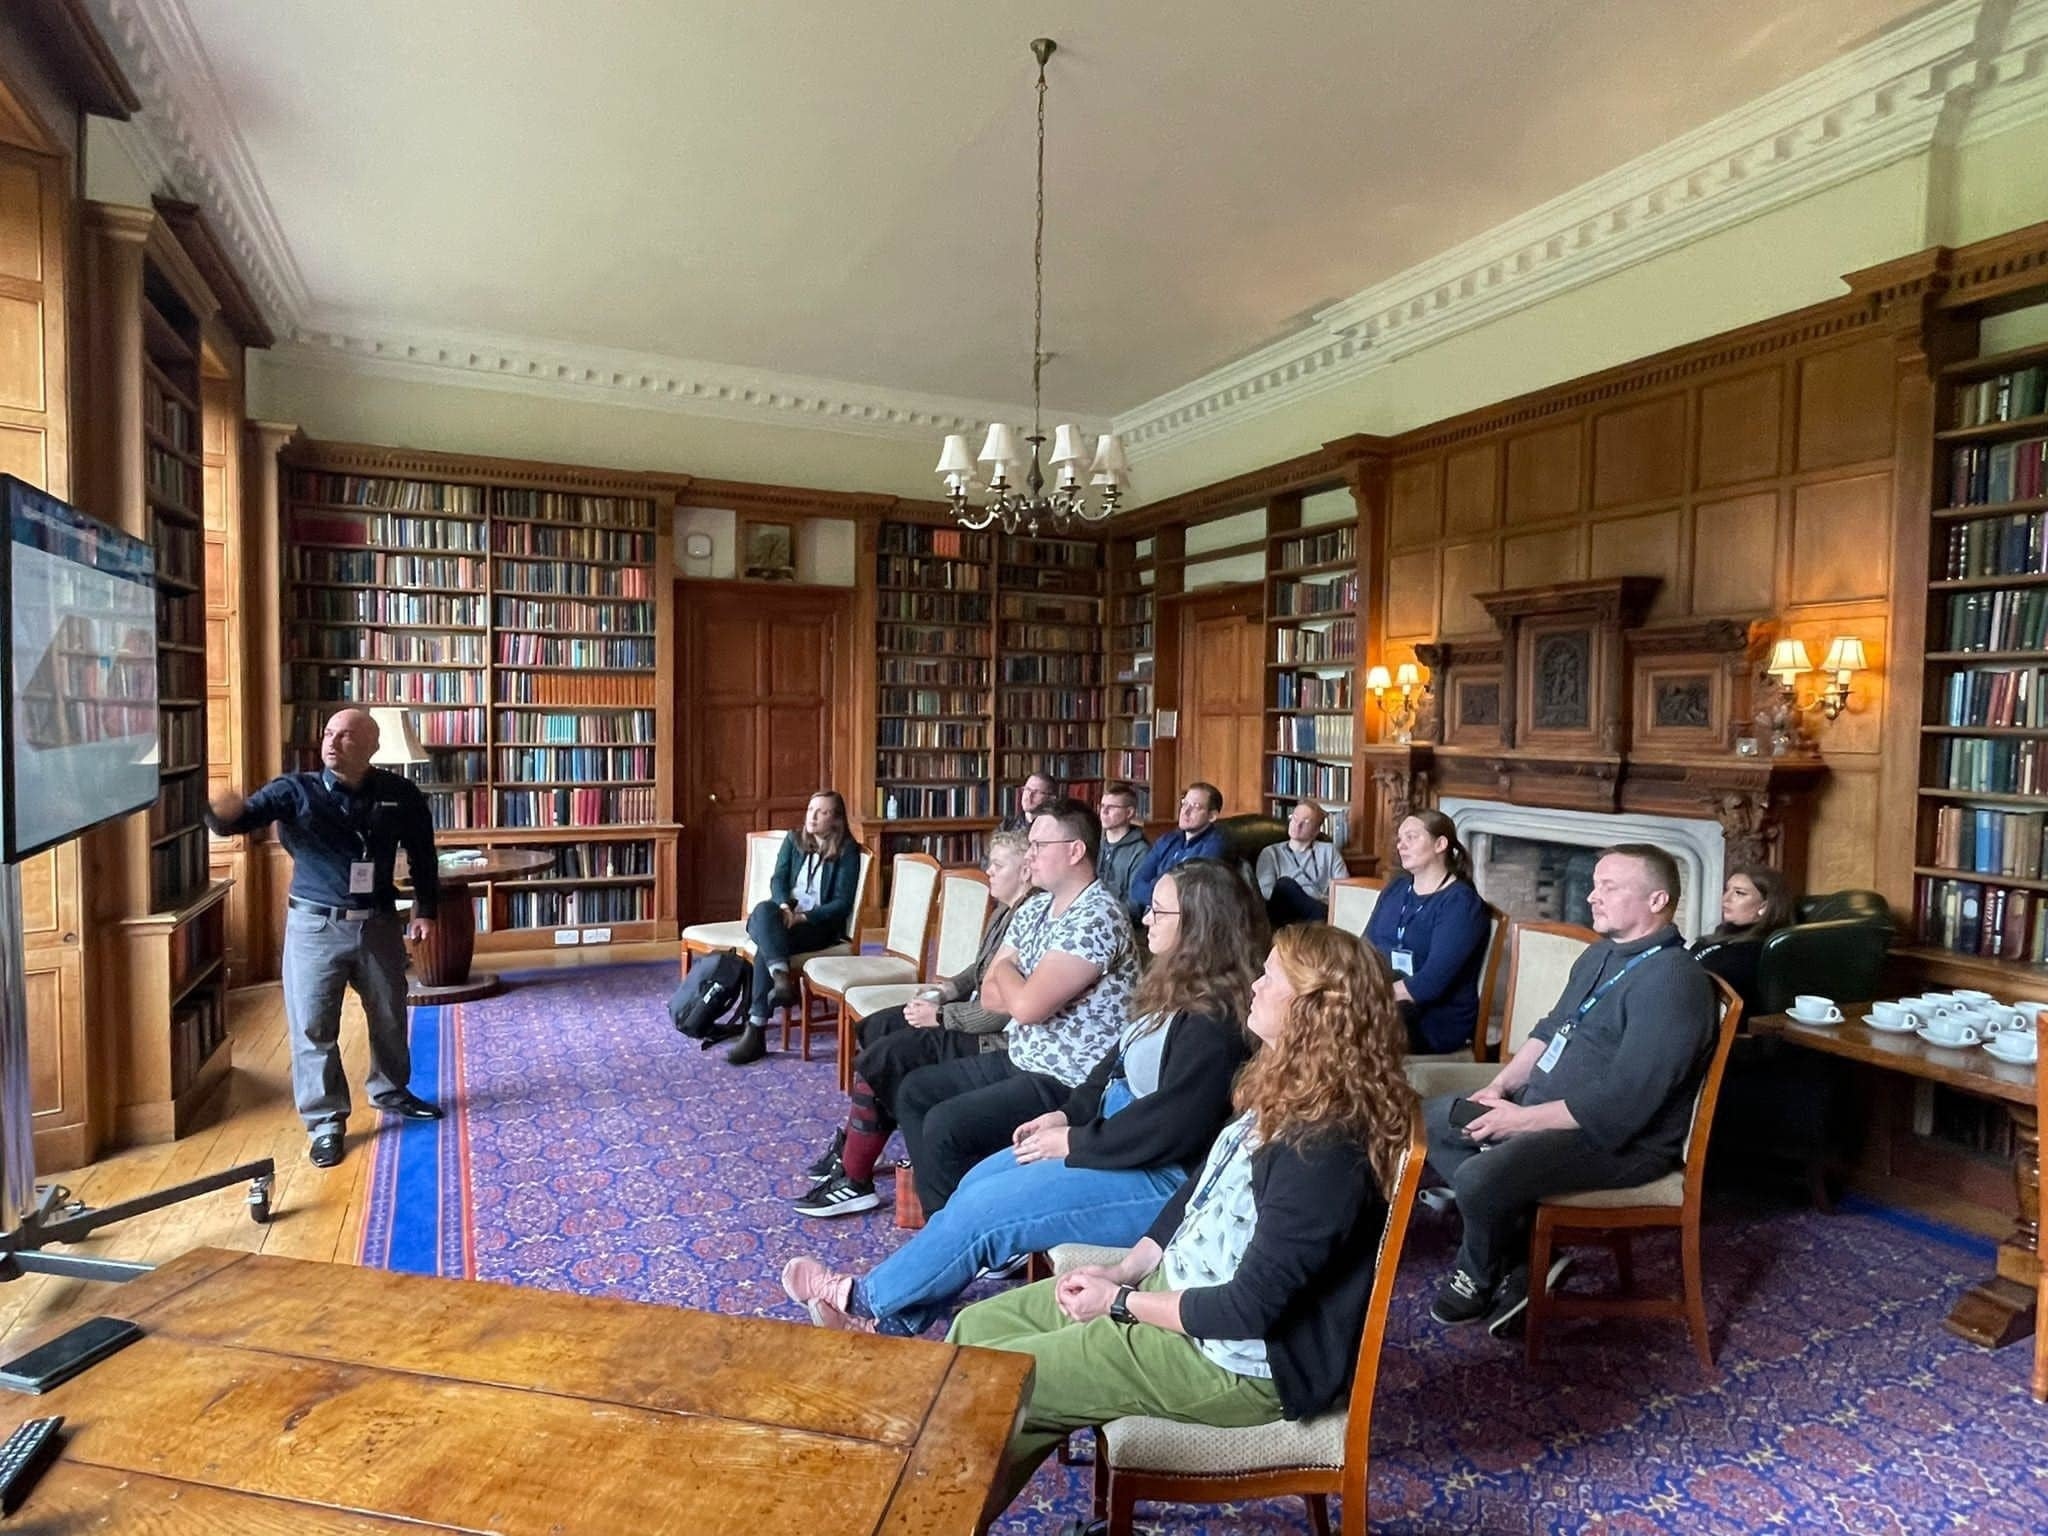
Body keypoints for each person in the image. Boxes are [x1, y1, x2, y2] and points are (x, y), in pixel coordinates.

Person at [944, 923, 1418, 1517]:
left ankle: (932, 1513)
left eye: (1270, 976)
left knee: (995, 1382)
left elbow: (1248, 1311)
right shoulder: (1290, 1085)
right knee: (973, 1339)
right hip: (1174, 1295)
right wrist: (1128, 1266)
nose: (1255, 983)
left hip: (1232, 1361)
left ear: (1313, 1010)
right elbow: (1200, 1190)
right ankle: (952, 1509)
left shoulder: (1323, 1147)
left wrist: (1119, 1305)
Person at [781, 860, 1266, 1331]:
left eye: (1159, 912)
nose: (1145, 918)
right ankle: (896, 1319)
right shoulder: (1173, 987)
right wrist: (1064, 1115)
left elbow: (1172, 1129)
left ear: (1201, 926)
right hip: (1118, 1142)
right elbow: (1111, 1068)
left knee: (986, 1213)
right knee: (974, 1183)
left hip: (1160, 1178)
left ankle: (862, 1298)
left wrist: (1076, 1141)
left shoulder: (1215, 1025)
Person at [1421, 844, 1718, 1336]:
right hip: (1547, 1110)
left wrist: (1516, 1122)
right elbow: (1551, 1027)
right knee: (1434, 1118)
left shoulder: (1672, 982)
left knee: (1478, 1179)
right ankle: (1531, 1259)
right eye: (1595, 884)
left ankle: (1478, 1275)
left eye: (1610, 887)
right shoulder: (1602, 952)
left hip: (1621, 1141)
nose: (1592, 897)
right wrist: (1497, 1090)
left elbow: (1626, 1106)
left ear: (1657, 900)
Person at [204, 707, 442, 1169]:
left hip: (377, 923)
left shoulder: (400, 794)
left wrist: (425, 910)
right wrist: (221, 814)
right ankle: (326, 1122)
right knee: (314, 1026)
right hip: (316, 926)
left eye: (347, 736)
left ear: (372, 747)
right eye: (329, 733)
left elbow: (423, 855)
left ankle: (391, 1092)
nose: (332, 743)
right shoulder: (294, 790)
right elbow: (242, 819)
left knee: (391, 1015)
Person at [893, 797, 1141, 1214]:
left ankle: (965, 1226)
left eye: (1039, 845)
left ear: (1075, 850)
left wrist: (1010, 972)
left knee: (944, 1125)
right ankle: (954, 1217)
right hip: (1022, 1055)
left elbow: (1025, 1008)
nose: (1030, 855)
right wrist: (1014, 978)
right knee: (915, 1091)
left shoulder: (1098, 916)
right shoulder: (1037, 906)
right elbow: (992, 993)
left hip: (1068, 1079)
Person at [794, 829, 1032, 1217]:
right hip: (967, 1015)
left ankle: (855, 1176)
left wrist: (939, 1015)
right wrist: (946, 990)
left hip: (991, 1038)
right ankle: (858, 1144)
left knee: (885, 1059)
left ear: (1026, 871)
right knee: (874, 1028)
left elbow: (1005, 1011)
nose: (988, 870)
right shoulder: (1006, 908)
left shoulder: (1031, 916)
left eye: (998, 864)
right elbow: (981, 969)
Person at [728, 790, 863, 1066]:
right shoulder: (794, 839)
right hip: (784, 916)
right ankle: (779, 977)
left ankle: (757, 1029)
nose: (812, 816)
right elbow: (778, 879)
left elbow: (841, 904)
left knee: (765, 943)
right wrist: (785, 908)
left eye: (821, 811)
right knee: (763, 911)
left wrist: (802, 918)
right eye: (811, 809)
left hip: (817, 926)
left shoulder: (848, 851)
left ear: (836, 819)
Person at [1364, 810, 1492, 1054]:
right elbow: (1365, 947)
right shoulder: (1397, 889)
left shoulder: (1461, 904)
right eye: (1400, 839)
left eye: (1411, 837)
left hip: (1434, 1018)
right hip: (1387, 998)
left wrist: (1367, 999)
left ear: (1440, 844)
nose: (1401, 845)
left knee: (1342, 1024)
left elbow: (1430, 984)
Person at [1687, 865, 1793, 1015]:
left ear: (1764, 906)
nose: (1726, 899)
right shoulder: (1717, 938)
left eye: (1739, 893)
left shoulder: (1757, 952)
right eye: (1727, 890)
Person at [1126, 781, 1226, 920]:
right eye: (1184, 803)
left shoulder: (1213, 847)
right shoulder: (1168, 839)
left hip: (1184, 921)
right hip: (1154, 914)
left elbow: (1187, 897)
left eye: (1195, 807)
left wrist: (1157, 898)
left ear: (1212, 816)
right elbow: (1137, 885)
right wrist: (1162, 901)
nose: (1185, 811)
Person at [1255, 800, 1350, 928]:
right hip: (1286, 914)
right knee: (1285, 885)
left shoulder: (1329, 851)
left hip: (1323, 909)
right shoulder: (1271, 853)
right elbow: (1266, 893)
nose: (1297, 825)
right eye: (1294, 818)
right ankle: (1322, 919)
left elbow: (1344, 889)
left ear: (1316, 831)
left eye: (1305, 822)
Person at [1095, 780, 1152, 910]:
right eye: (1102, 806)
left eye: (1111, 807)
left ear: (1129, 813)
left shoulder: (1140, 852)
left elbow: (1136, 905)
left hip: (1119, 920)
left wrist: (1103, 911)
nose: (1104, 812)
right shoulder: (1096, 842)